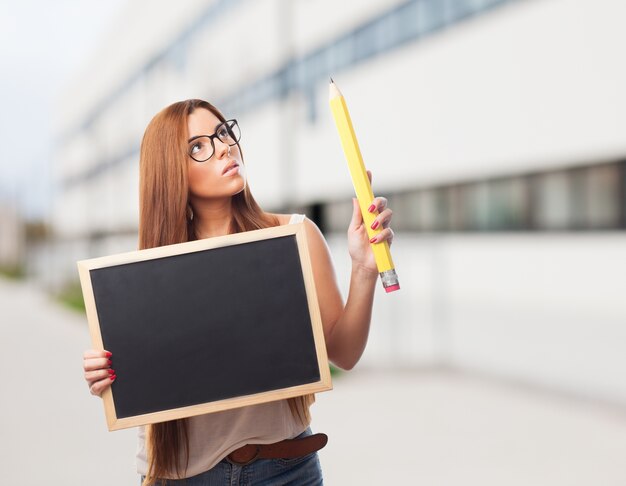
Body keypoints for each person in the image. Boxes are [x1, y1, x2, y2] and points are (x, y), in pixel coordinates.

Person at [82, 99, 394, 485]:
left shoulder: (293, 236)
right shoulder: (147, 275)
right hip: (180, 476)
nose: (225, 147)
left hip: (285, 469)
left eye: (222, 133)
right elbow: (152, 375)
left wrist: (363, 268)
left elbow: (344, 354)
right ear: (170, 171)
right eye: (198, 146)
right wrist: (112, 376)